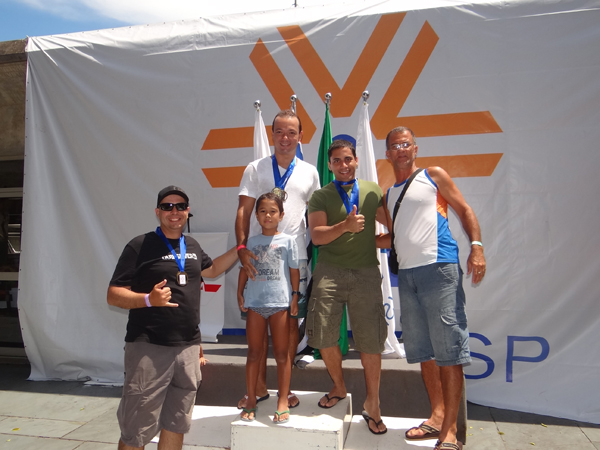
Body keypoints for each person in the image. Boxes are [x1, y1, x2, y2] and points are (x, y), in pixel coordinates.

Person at [107, 185, 238, 450]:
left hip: (187, 349)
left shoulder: (192, 245)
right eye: (167, 206)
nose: (174, 211)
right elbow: (113, 295)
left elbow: (212, 270)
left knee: (176, 423)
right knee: (136, 428)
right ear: (158, 212)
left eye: (180, 206)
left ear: (188, 211)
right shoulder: (139, 245)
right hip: (149, 347)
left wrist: (241, 248)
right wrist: (148, 299)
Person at [384, 127, 486, 450]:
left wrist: (477, 247)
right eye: (395, 145)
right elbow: (394, 238)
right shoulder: (389, 195)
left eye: (406, 143)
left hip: (440, 269)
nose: (401, 149)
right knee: (425, 352)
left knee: (449, 351)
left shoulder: (433, 175)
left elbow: (464, 209)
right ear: (387, 154)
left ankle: (451, 432)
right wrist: (351, 238)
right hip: (407, 277)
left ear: (415, 148)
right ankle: (437, 417)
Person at [235, 109, 320, 410]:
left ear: (300, 136)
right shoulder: (255, 168)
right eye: (280, 132)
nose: (285, 138)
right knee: (258, 325)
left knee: (290, 324)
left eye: (292, 132)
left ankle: (286, 391)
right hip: (259, 257)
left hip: (295, 258)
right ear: (272, 135)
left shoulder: (310, 172)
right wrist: (241, 247)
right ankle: (257, 388)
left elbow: (316, 214)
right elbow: (244, 210)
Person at [306, 139, 389, 435]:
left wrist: (378, 240)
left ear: (356, 161)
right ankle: (339, 387)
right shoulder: (320, 196)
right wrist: (346, 226)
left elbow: (394, 228)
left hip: (366, 273)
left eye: (348, 159)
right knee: (324, 334)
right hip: (329, 272)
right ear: (330, 165)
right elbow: (317, 236)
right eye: (337, 161)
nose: (343, 165)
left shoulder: (373, 190)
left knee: (371, 341)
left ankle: (373, 403)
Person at [237, 192, 300, 423]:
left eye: (273, 211)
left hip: (279, 305)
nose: (268, 215)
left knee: (282, 354)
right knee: (254, 353)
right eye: (263, 211)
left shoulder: (288, 241)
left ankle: (282, 400)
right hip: (255, 305)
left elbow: (294, 271)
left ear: (281, 215)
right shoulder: (251, 243)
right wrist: (239, 292)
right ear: (256, 215)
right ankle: (251, 400)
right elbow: (244, 269)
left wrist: (295, 296)